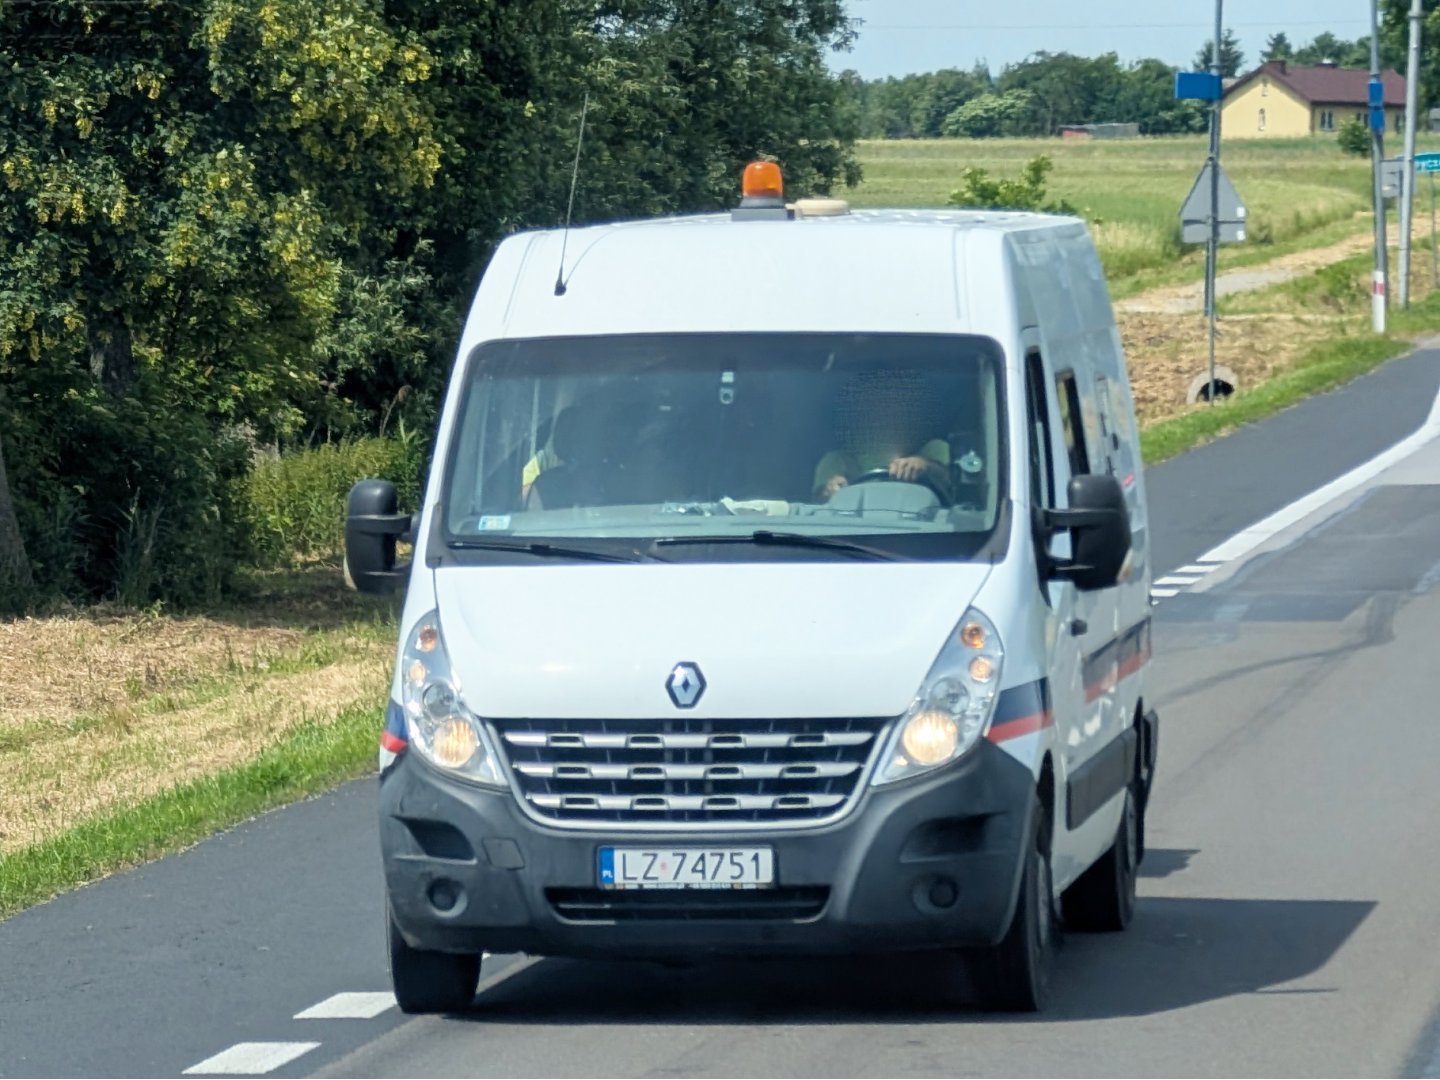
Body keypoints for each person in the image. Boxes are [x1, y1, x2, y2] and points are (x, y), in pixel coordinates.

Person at [812, 372, 952, 500]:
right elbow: (819, 507)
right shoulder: (837, 460)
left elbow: (951, 483)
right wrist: (830, 490)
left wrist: (925, 467)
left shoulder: (934, 450)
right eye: (877, 406)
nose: (887, 414)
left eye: (897, 405)